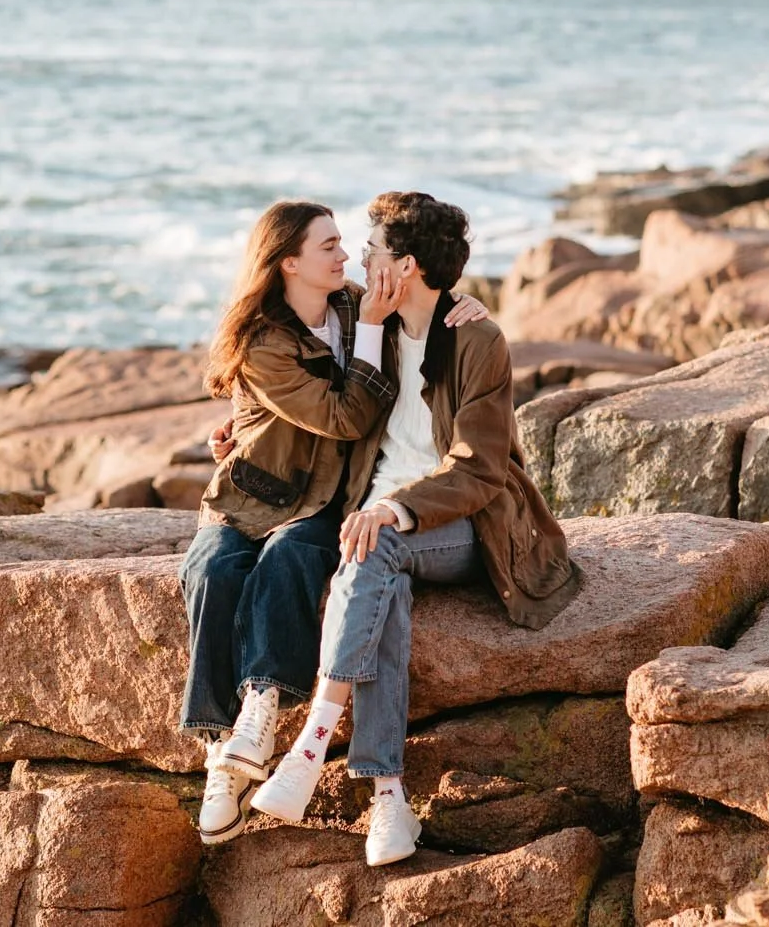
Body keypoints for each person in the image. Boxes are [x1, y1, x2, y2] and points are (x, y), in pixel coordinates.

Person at [244, 191, 582, 867]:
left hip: (463, 522)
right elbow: (282, 340)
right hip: (374, 523)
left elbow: (481, 466)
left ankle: (312, 742)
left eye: (371, 251)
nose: (360, 260)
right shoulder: (369, 327)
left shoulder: (475, 338)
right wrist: (236, 432)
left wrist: (396, 507)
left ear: (407, 265)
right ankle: (389, 798)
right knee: (379, 580)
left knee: (378, 543)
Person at [182, 200, 486, 843]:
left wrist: (474, 308)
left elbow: (425, 306)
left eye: (353, 244)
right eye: (330, 246)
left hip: (334, 502)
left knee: (296, 556)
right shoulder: (263, 339)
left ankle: (274, 713)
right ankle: (223, 751)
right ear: (288, 261)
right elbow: (337, 414)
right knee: (211, 569)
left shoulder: (357, 307)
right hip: (256, 493)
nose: (348, 255)